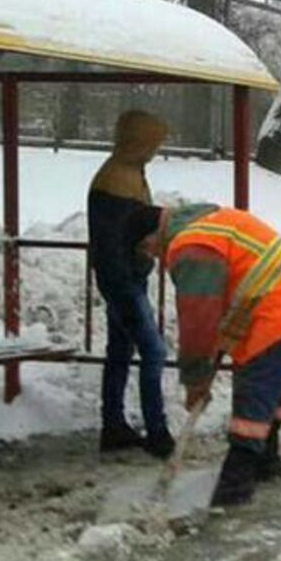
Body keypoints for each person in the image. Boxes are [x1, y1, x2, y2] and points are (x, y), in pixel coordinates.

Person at [126, 202, 281, 507]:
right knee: (265, 383)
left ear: (152, 236)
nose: (154, 257)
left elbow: (198, 319)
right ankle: (267, 463)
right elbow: (221, 307)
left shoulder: (191, 246)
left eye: (148, 250)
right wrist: (206, 367)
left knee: (254, 389)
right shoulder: (208, 222)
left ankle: (234, 486)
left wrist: (196, 377)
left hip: (280, 302)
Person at [87, 110, 173, 457]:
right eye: (153, 142)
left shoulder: (129, 173)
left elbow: (131, 224)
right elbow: (113, 240)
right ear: (139, 142)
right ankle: (157, 431)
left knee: (120, 352)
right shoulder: (116, 180)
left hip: (129, 277)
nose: (156, 150)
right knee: (153, 351)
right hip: (123, 282)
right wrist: (121, 289)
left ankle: (113, 425)